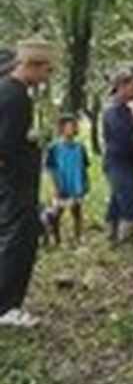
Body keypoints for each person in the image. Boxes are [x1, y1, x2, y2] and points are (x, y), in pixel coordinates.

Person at [0, 39, 56, 327]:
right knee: (18, 240)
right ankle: (7, 307)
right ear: (32, 65)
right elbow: (5, 145)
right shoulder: (15, 96)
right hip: (16, 181)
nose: (47, 76)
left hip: (14, 180)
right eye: (47, 69)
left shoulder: (8, 90)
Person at [103, 70, 133, 244]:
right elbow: (124, 139)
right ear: (121, 87)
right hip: (118, 161)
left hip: (125, 161)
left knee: (118, 196)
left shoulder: (124, 110)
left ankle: (113, 233)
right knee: (128, 198)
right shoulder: (114, 111)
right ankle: (125, 236)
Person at [44, 115, 91, 246]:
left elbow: (84, 167)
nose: (71, 129)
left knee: (77, 211)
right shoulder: (54, 148)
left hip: (76, 184)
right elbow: (50, 168)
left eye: (73, 126)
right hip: (61, 184)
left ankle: (78, 237)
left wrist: (85, 183)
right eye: (68, 126)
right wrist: (55, 186)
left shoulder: (80, 147)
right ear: (61, 129)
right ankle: (56, 239)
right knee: (57, 213)